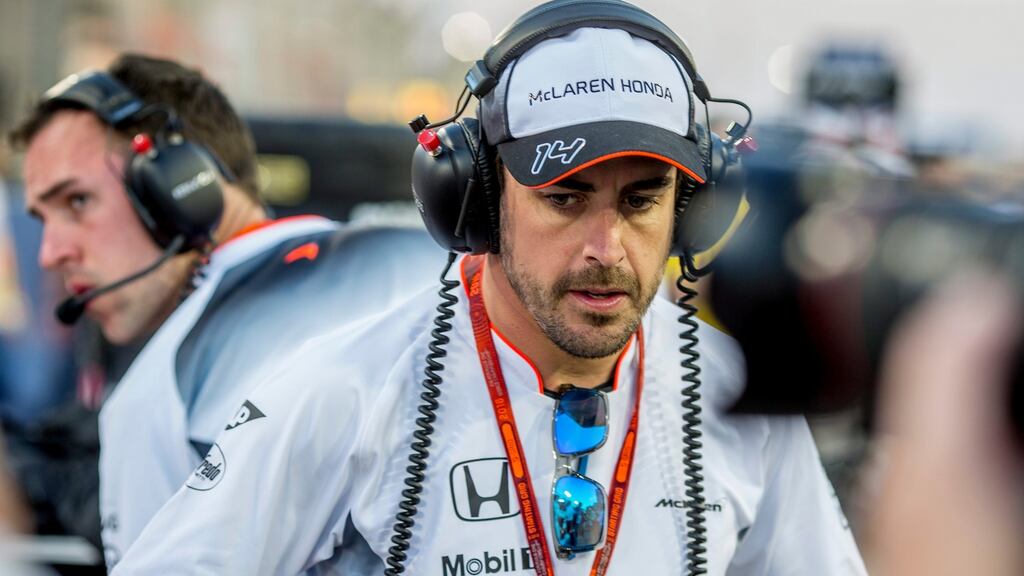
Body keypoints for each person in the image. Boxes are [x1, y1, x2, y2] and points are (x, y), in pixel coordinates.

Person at [114, 3, 866, 574]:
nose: (607, 249)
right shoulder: (345, 388)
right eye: (564, 197)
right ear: (473, 196)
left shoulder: (744, 401)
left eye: (641, 200)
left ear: (694, 207)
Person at [12, 53, 444, 569]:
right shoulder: (432, 263)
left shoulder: (157, 394)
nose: (50, 252)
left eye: (77, 202)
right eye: (42, 217)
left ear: (178, 184)